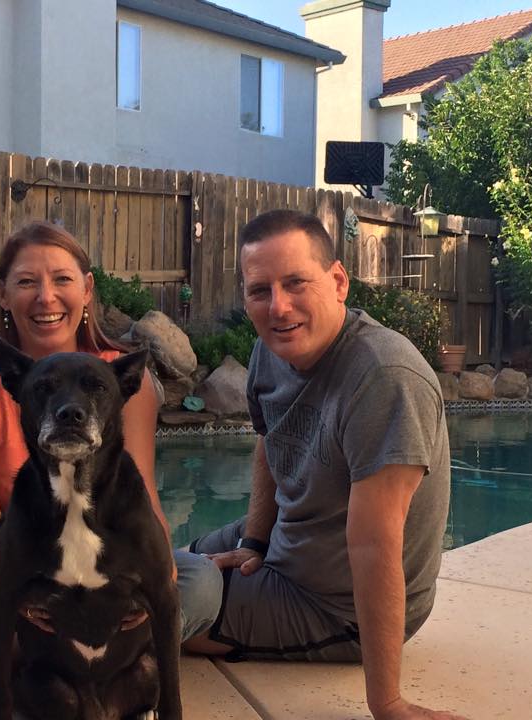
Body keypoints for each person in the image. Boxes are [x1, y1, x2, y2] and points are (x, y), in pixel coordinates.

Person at [0, 221, 224, 713]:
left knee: (199, 580)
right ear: (3, 294)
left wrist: (161, 585)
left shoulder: (121, 382)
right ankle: (92, 664)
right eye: (27, 282)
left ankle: (72, 668)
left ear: (88, 290)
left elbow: (143, 503)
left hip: (102, 572)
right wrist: (19, 605)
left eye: (62, 280)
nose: (45, 297)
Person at [183, 210, 466, 720]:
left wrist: (388, 704)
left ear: (338, 281)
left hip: (338, 606)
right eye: (260, 290)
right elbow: (269, 444)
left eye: (296, 283)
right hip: (285, 543)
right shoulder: (271, 350)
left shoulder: (384, 377)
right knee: (153, 564)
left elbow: (374, 545)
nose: (279, 306)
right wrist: (254, 541)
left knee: (151, 607)